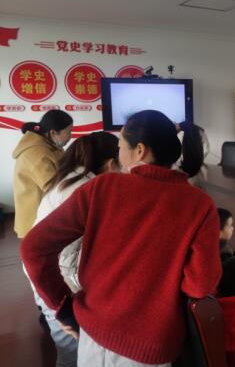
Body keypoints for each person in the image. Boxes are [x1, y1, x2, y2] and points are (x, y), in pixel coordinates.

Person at [21, 110, 222, 366]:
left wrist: (63, 306)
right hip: (151, 346)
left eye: (120, 146)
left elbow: (33, 248)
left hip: (93, 334)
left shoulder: (102, 187)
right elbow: (200, 285)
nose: (118, 153)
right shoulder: (199, 204)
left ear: (140, 150)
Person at [27, 132, 120, 367]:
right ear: (111, 164)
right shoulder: (86, 187)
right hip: (55, 276)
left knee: (70, 345)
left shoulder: (72, 177)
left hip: (49, 272)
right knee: (71, 350)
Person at [12, 109, 73, 238]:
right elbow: (54, 188)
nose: (70, 136)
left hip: (46, 215)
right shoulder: (36, 153)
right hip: (35, 219)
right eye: (68, 132)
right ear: (53, 133)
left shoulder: (51, 146)